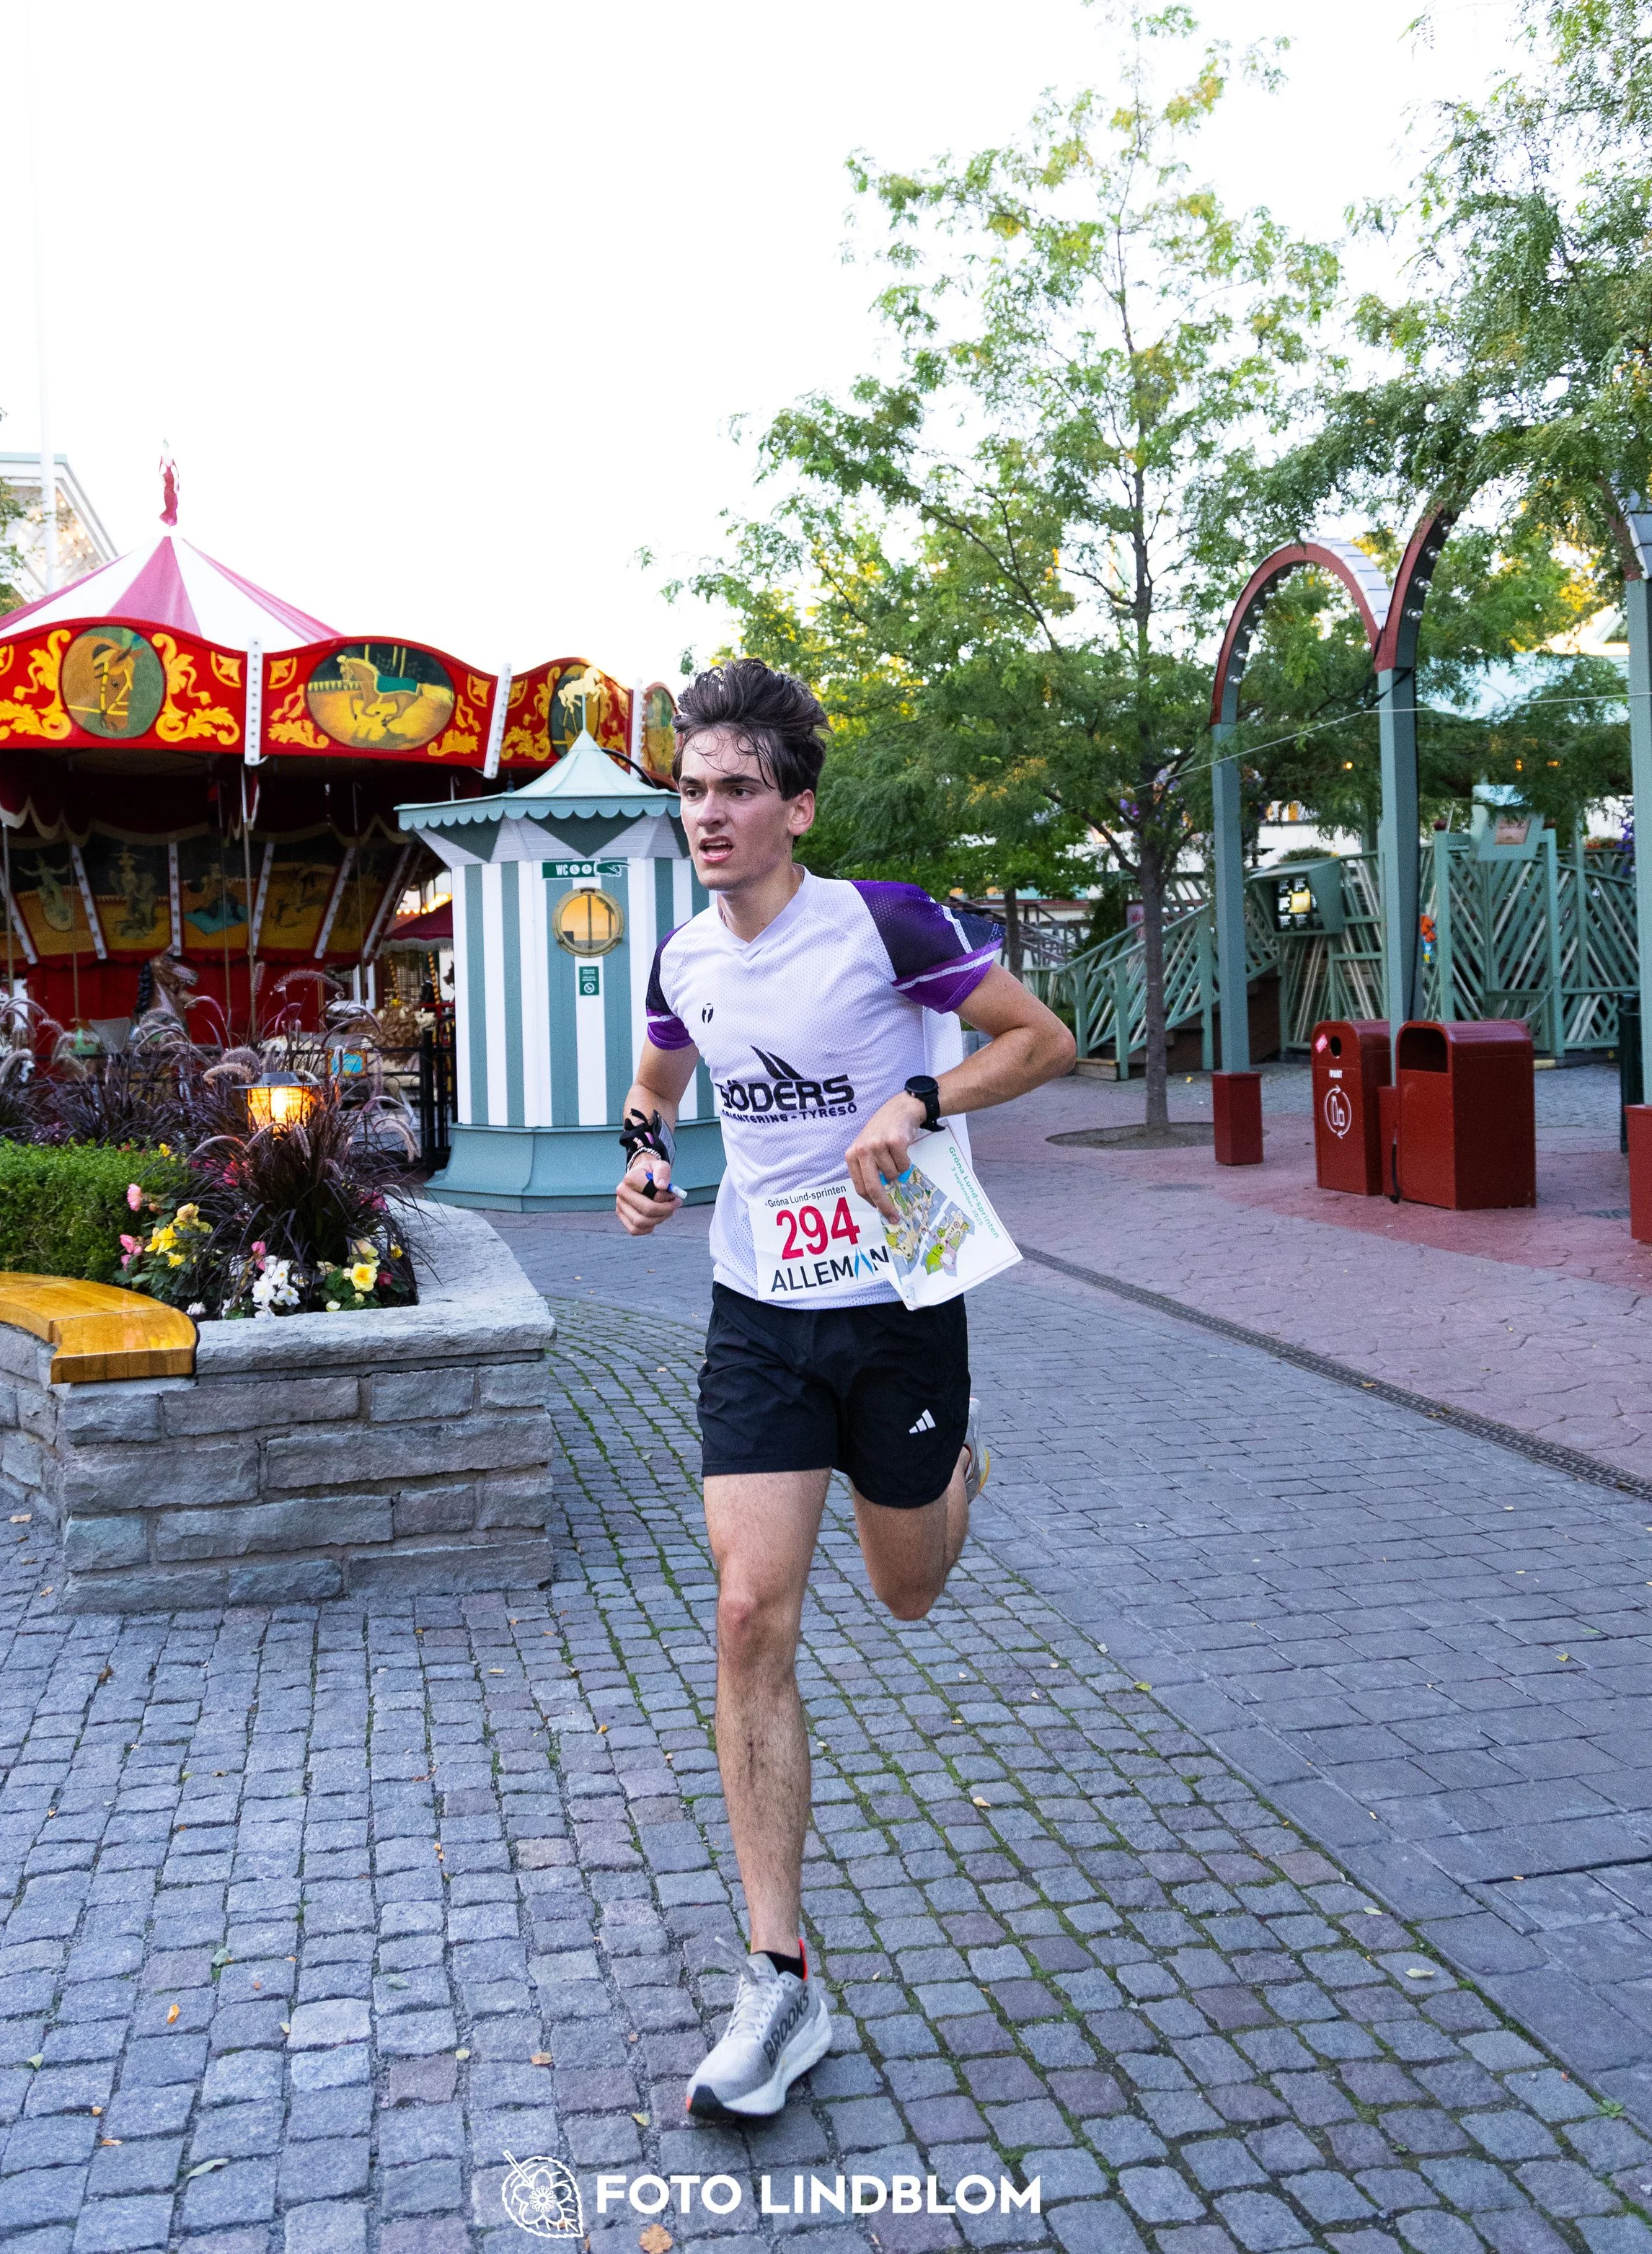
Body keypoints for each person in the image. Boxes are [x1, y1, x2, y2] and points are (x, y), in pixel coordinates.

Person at [615, 658, 1079, 2120]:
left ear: (793, 806)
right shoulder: (683, 954)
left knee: (907, 1587)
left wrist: (917, 1097)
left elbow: (1041, 1037)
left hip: (895, 1300)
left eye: (737, 787)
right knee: (748, 1609)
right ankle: (778, 1974)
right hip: (758, 1309)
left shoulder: (879, 922)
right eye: (691, 789)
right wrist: (639, 1149)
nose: (709, 812)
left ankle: (952, 1475)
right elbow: (662, 1075)